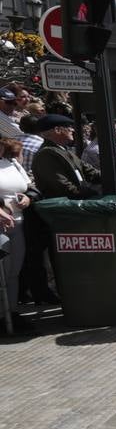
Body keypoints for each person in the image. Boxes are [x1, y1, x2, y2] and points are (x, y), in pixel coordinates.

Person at [0, 137, 38, 331]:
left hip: (19, 222)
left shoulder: (12, 163)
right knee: (2, 274)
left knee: (14, 272)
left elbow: (30, 186)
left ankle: (12, 313)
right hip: (2, 225)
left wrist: (28, 198)